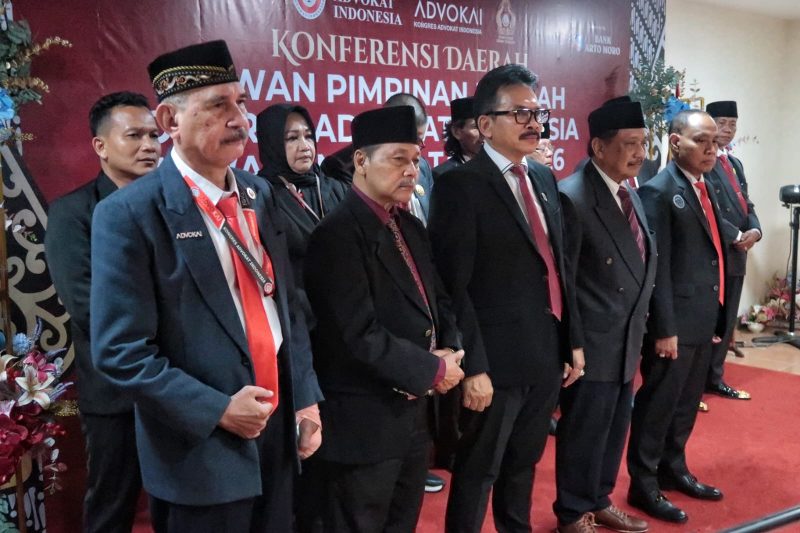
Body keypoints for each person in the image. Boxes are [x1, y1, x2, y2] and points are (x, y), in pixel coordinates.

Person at [89, 40, 322, 533]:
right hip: (200, 449)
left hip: (278, 430)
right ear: (170, 121)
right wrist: (218, 410)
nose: (240, 120)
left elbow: (286, 306)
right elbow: (120, 352)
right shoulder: (129, 213)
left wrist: (305, 396)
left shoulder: (259, 193)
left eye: (241, 102)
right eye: (218, 105)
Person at [428, 64, 581, 533]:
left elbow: (558, 268)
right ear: (486, 124)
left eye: (537, 113)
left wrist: (572, 341)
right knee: (478, 471)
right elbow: (453, 286)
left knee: (523, 465)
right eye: (519, 113)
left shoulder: (543, 179)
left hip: (544, 353)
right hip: (493, 363)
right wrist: (474, 366)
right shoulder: (460, 186)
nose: (533, 123)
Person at [304, 105, 465, 532]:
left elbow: (438, 299)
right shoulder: (336, 235)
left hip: (412, 417)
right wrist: (432, 369)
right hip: (363, 422)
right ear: (361, 161)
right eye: (398, 159)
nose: (411, 170)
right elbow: (356, 335)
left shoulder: (409, 227)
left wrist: (451, 349)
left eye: (416, 159)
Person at [45, 91, 160, 533]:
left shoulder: (175, 205)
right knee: (112, 506)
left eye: (154, 135)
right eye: (134, 136)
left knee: (182, 507)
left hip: (185, 388)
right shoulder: (73, 212)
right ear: (101, 146)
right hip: (116, 391)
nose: (148, 146)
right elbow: (86, 304)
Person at [553, 100, 655, 533]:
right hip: (592, 341)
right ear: (598, 146)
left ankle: (599, 498)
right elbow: (565, 281)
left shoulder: (628, 191)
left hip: (626, 337)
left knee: (614, 428)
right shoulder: (573, 196)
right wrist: (572, 342)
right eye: (629, 144)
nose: (640, 153)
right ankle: (573, 512)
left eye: (643, 143)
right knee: (584, 431)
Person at [627, 110, 729, 524]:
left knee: (686, 403)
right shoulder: (659, 191)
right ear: (674, 142)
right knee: (658, 404)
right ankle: (643, 482)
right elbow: (658, 267)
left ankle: (674, 466)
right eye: (701, 141)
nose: (711, 150)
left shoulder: (706, 184)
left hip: (702, 316)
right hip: (674, 324)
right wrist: (663, 327)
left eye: (714, 143)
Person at [255, 103, 348, 323]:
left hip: (347, 313)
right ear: (272, 143)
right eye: (292, 138)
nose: (305, 146)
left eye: (308, 136)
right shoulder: (262, 197)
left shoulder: (335, 188)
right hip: (300, 320)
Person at [704, 100, 759, 400]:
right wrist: (737, 234)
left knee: (727, 320)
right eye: (722, 123)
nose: (727, 129)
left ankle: (715, 376)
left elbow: (746, 203)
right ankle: (697, 381)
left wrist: (755, 230)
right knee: (709, 319)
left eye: (732, 124)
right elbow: (707, 209)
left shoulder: (734, 163)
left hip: (739, 250)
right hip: (716, 251)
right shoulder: (703, 161)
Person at [433, 96, 482, 179]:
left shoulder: (500, 169)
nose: (484, 133)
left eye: (486, 126)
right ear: (456, 132)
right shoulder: (443, 175)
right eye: (475, 127)